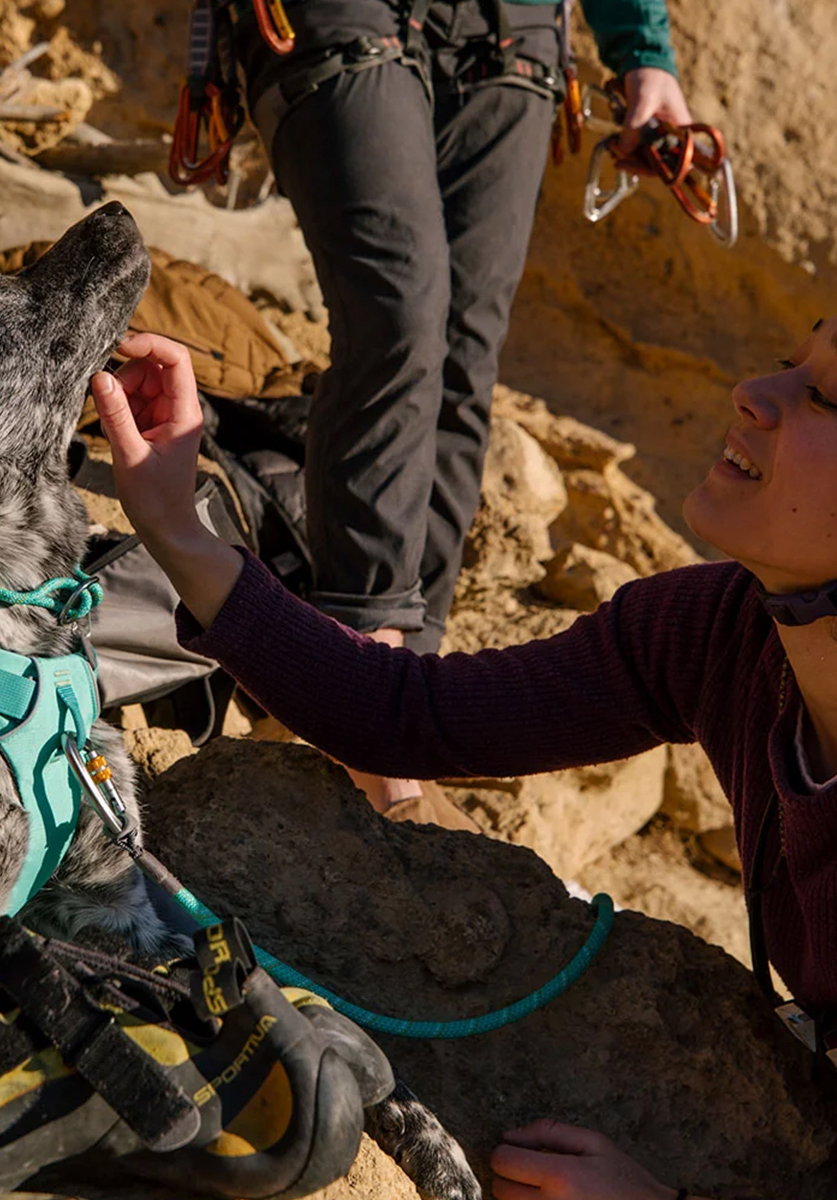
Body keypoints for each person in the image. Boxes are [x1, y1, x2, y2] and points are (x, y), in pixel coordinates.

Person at [89, 325, 837, 1198]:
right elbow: (406, 713)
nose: (755, 390)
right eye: (793, 360)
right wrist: (179, 526)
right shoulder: (723, 633)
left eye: (825, 397)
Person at [232, 0, 693, 816]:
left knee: (463, 346)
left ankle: (405, 688)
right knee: (399, 310)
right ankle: (355, 682)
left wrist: (642, 51)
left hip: (514, 28)